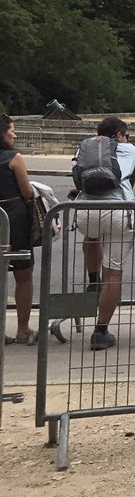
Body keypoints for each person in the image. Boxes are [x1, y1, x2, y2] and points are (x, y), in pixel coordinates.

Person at [74, 117, 135, 351]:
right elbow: (132, 176)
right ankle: (100, 331)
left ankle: (93, 280)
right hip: (117, 210)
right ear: (120, 135)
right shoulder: (128, 149)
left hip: (85, 210)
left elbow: (78, 174)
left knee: (91, 237)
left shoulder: (85, 146)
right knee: (113, 274)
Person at [0, 115, 36, 345]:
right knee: (23, 275)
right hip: (14, 218)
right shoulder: (14, 158)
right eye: (11, 130)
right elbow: (27, 192)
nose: (14, 134)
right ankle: (22, 330)